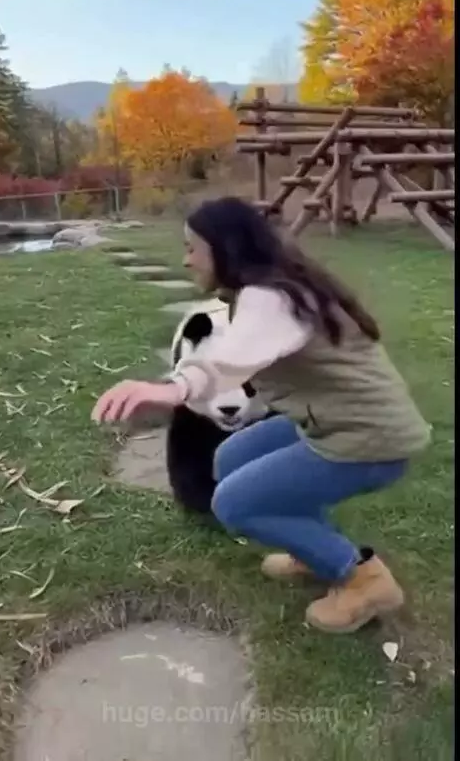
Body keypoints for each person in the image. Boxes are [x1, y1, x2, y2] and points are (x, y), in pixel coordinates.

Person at [91, 197, 431, 634]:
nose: (186, 259)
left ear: (225, 247)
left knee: (233, 503)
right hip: (338, 421)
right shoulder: (272, 286)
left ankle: (362, 579)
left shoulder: (271, 297)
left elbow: (228, 361)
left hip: (366, 439)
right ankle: (314, 550)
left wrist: (171, 389)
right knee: (230, 459)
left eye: (193, 248)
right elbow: (240, 354)